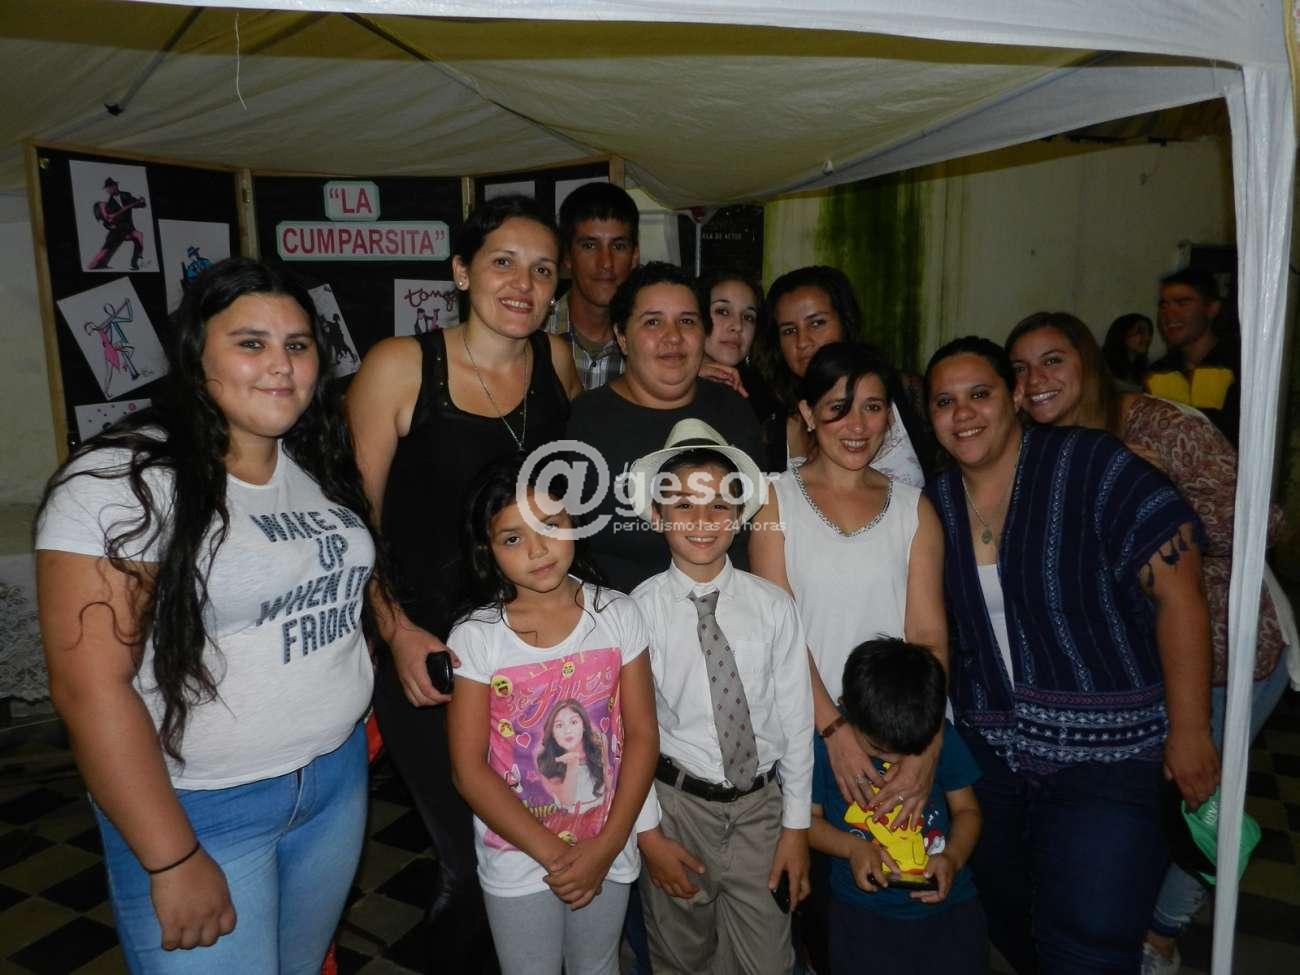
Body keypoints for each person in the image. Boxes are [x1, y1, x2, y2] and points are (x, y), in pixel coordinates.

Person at [35, 257, 380, 972]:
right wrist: (170, 856)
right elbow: (89, 687)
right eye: (251, 343)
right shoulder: (122, 480)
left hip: (335, 780)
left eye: (297, 344)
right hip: (202, 807)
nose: (280, 365)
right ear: (197, 356)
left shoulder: (316, 458)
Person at [1006, 311, 1294, 974]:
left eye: (1053, 359)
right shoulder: (1041, 445)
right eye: (1020, 368)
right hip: (1138, 663)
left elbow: (1266, 523)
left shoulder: (1161, 426)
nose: (1036, 378)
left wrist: (1158, 490)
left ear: (1087, 361)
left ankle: (1160, 938)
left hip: (1225, 654)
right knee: (1158, 805)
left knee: (1199, 795)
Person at [924, 335, 1220, 974]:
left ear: (1015, 396)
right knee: (1013, 922)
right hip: (992, 760)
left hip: (1109, 754)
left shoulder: (1089, 465)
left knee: (1089, 938)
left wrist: (1191, 730)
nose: (963, 413)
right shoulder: (935, 503)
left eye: (980, 394)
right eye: (944, 402)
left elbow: (1180, 595)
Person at [346, 194, 582, 970]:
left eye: (542, 270)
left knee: (531, 851)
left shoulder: (557, 362)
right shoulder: (400, 365)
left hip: (530, 654)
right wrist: (395, 631)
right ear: (461, 271)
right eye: (502, 262)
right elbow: (354, 522)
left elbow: (566, 501)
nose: (523, 283)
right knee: (470, 860)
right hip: (432, 654)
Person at [749, 342, 947, 974]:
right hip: (805, 736)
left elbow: (929, 636)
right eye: (838, 408)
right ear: (808, 413)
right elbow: (781, 631)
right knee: (819, 920)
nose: (858, 425)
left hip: (898, 734)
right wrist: (833, 731)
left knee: (900, 910)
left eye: (873, 407)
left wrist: (925, 746)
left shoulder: (914, 508)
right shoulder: (774, 500)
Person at [446, 458, 657, 975]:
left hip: (607, 843)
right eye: (512, 538)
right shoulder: (477, 637)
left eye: (550, 526)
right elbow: (468, 770)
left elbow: (642, 736)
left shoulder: (617, 614)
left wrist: (607, 846)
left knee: (598, 966)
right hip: (518, 854)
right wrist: (556, 855)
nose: (538, 549)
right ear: (487, 551)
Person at [627, 422, 813, 975]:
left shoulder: (773, 606)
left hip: (761, 809)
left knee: (768, 960)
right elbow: (627, 732)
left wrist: (796, 828)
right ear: (657, 515)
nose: (702, 520)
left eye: (718, 505)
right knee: (682, 954)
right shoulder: (637, 613)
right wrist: (648, 833)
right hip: (678, 807)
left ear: (738, 515)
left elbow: (796, 721)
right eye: (683, 505)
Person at [565, 261, 763, 594]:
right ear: (622, 337)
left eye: (687, 321)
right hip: (616, 612)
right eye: (653, 322)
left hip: (729, 608)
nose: (673, 337)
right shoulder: (584, 421)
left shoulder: (733, 409)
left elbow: (761, 530)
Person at [810, 639, 985, 975]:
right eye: (879, 749)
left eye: (911, 749)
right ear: (847, 708)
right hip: (863, 916)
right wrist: (853, 848)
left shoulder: (938, 736)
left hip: (951, 909)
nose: (895, 758)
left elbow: (968, 812)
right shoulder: (825, 750)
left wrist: (953, 857)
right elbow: (807, 823)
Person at [757, 265, 930, 483]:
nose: (803, 342)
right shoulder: (773, 429)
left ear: (845, 322)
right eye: (789, 331)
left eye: (817, 323)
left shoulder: (906, 393)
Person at [547, 182, 641, 389]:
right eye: (589, 246)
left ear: (635, 255)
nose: (606, 262)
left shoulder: (652, 344)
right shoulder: (533, 336)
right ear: (567, 256)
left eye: (618, 246)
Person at [699, 268, 786, 472]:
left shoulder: (766, 399)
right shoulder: (662, 385)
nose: (737, 326)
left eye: (748, 317)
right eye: (723, 311)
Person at [1146, 268, 1240, 444]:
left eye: (1182, 303)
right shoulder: (1157, 373)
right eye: (1163, 305)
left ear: (1212, 308)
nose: (1169, 314)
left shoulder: (1238, 366)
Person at [89, 176, 147, 270]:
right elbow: (107, 219)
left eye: (109, 188)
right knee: (106, 248)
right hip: (117, 229)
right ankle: (92, 265)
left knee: (139, 235)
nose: (108, 191)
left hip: (128, 227)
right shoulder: (110, 203)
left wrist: (142, 202)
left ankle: (135, 262)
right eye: (107, 189)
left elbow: (137, 203)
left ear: (115, 186)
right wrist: (111, 222)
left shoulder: (126, 195)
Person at [1103, 312, 1154, 390]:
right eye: (1140, 332)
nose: (1147, 338)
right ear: (1122, 333)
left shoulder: (1144, 368)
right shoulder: (1102, 364)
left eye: (1149, 333)